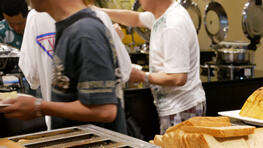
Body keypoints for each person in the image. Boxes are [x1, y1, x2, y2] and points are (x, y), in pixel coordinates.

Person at [1, 0, 127, 134]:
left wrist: (39, 107)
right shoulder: (69, 27)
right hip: (80, 146)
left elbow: (104, 110)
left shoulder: (85, 31)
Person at [102, 0, 205, 134]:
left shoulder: (173, 24)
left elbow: (178, 77)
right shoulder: (161, 17)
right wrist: (99, 12)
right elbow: (134, 18)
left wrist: (142, 76)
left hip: (181, 108)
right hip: (173, 106)